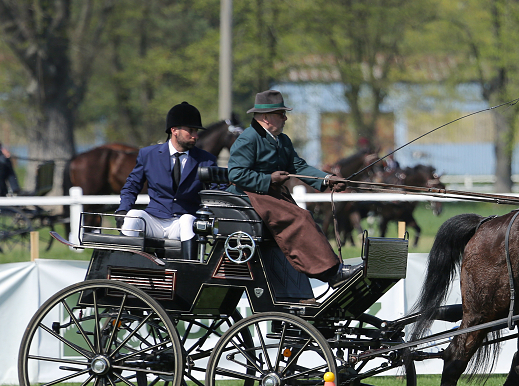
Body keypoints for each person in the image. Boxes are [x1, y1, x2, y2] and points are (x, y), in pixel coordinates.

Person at [227, 89, 358, 288]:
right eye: (281, 114)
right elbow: (236, 174)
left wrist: (327, 179)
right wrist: (269, 178)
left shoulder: (283, 140)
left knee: (304, 215)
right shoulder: (248, 139)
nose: (285, 118)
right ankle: (331, 272)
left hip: (270, 196)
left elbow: (298, 167)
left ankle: (332, 269)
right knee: (301, 218)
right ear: (266, 117)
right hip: (249, 197)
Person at [116, 102, 220, 260]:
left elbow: (218, 191)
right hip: (154, 219)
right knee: (133, 216)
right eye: (191, 131)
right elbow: (131, 186)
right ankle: (123, 267)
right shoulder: (147, 154)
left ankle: (189, 269)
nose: (196, 135)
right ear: (174, 130)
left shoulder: (207, 159)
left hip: (183, 223)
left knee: (187, 220)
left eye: (196, 131)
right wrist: (123, 210)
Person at [0, 111, 22, 196]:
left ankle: (15, 188)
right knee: (0, 162)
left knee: (6, 160)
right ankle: (1, 192)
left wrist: (2, 149)